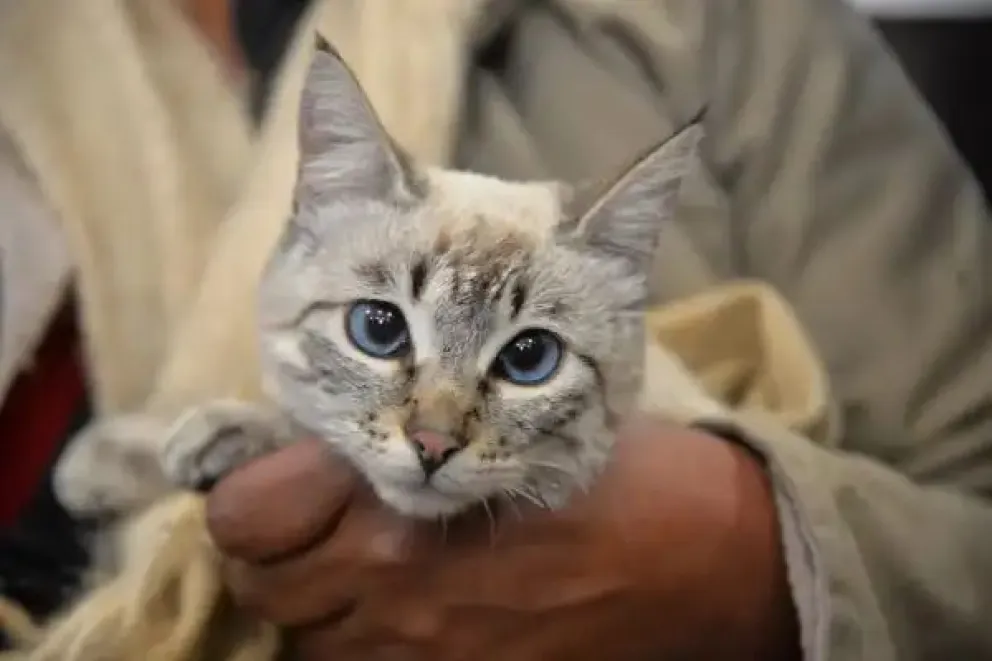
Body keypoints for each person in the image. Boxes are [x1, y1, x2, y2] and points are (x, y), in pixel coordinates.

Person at [204, 0, 992, 659]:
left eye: (525, 354)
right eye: (383, 326)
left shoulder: (710, 22)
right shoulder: (80, 99)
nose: (436, 432)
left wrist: (751, 560)